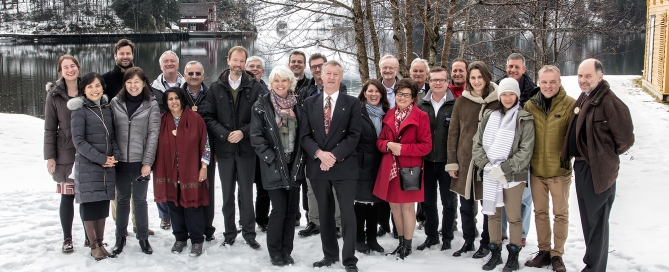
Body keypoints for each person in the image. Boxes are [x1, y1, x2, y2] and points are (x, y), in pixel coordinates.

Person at [560, 59, 634, 272]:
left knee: (597, 223)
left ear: (600, 76)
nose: (583, 80)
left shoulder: (610, 103)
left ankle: (595, 269)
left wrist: (604, 155)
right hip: (582, 168)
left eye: (588, 76)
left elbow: (625, 139)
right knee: (588, 222)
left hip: (599, 171)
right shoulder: (585, 98)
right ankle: (592, 264)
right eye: (580, 76)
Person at [299, 60, 361, 272]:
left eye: (336, 74)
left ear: (341, 77)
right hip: (318, 167)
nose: (332, 77)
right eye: (328, 73)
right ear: (321, 76)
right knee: (324, 213)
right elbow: (304, 135)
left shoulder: (352, 103)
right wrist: (319, 154)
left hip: (344, 166)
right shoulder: (309, 103)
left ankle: (350, 260)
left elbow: (354, 136)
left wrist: (333, 156)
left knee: (347, 214)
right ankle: (329, 255)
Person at [201, 46, 262, 249]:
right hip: (225, 150)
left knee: (246, 193)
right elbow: (207, 116)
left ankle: (249, 233)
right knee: (227, 194)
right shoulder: (215, 87)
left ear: (245, 63)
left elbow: (261, 117)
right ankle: (229, 234)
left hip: (247, 150)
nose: (238, 64)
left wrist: (243, 132)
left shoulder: (255, 87)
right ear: (228, 61)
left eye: (241, 61)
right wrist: (225, 134)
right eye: (235, 60)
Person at [472, 78, 535, 271]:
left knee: (514, 216)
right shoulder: (490, 116)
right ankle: (495, 253)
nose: (508, 98)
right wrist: (488, 166)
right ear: (499, 96)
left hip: (513, 175)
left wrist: (504, 169)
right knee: (493, 215)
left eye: (512, 94)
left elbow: (526, 150)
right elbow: (477, 144)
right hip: (491, 174)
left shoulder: (524, 118)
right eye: (504, 94)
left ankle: (513, 255)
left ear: (517, 95)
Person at [250, 66, 305, 266]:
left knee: (291, 210)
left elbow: (303, 135)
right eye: (276, 81)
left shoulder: (299, 105)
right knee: (279, 210)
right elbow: (256, 137)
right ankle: (275, 252)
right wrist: (272, 158)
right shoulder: (262, 105)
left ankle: (286, 250)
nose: (280, 84)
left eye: (284, 80)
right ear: (271, 83)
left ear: (290, 82)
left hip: (294, 163)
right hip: (273, 164)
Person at [523, 65, 575, 272]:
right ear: (538, 82)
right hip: (536, 170)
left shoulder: (570, 105)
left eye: (553, 81)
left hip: (559, 172)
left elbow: (576, 137)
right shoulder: (529, 106)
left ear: (560, 82)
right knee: (540, 212)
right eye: (544, 82)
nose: (548, 86)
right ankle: (544, 251)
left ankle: (557, 255)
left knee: (560, 214)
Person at [102, 39, 156, 235]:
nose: (125, 57)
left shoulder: (141, 76)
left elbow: (150, 101)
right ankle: (120, 226)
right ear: (115, 55)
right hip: (117, 142)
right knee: (120, 193)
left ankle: (137, 223)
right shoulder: (107, 79)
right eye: (121, 53)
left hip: (137, 143)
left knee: (138, 193)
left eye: (128, 53)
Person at [446, 61, 500, 258]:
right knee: (466, 205)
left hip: (489, 161)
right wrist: (452, 161)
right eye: (473, 77)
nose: (477, 81)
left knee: (488, 205)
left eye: (480, 77)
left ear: (486, 77)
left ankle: (486, 242)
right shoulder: (462, 101)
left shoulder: (498, 100)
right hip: (465, 161)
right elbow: (453, 133)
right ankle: (468, 241)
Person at [374, 78, 431, 260]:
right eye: (399, 94)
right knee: (394, 207)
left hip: (409, 169)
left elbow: (426, 146)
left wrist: (403, 149)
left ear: (413, 97)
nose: (402, 97)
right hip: (389, 169)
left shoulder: (421, 116)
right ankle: (400, 242)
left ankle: (407, 244)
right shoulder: (389, 114)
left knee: (407, 208)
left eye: (406, 94)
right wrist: (388, 145)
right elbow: (380, 141)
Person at [153, 87, 210, 257]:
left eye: (176, 98)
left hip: (191, 170)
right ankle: (180, 238)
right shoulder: (161, 120)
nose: (174, 102)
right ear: (165, 102)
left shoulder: (195, 119)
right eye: (170, 99)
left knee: (193, 207)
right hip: (168, 172)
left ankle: (197, 240)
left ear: (182, 99)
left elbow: (206, 144)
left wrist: (204, 166)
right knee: (174, 206)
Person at [109, 67, 161, 255]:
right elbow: (111, 132)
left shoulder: (151, 104)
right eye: (129, 82)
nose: (133, 86)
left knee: (140, 201)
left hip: (141, 163)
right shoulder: (115, 103)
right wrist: (113, 156)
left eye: (137, 82)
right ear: (124, 84)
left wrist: (148, 162)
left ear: (144, 83)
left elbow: (153, 134)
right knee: (122, 199)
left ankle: (143, 238)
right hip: (120, 161)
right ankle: (120, 237)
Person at [68, 72, 119, 260]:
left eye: (97, 85)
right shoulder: (79, 110)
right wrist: (101, 159)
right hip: (88, 165)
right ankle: (93, 244)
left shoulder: (106, 108)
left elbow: (112, 136)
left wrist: (114, 156)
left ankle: (100, 242)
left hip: (106, 165)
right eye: (90, 87)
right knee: (90, 204)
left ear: (103, 87)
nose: (94, 90)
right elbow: (78, 142)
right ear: (83, 90)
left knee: (102, 204)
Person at [297, 53, 345, 238]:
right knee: (311, 189)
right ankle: (314, 221)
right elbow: (304, 127)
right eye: (315, 67)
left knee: (334, 188)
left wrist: (332, 154)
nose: (318, 70)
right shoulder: (305, 93)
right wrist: (317, 152)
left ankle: (338, 224)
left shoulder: (344, 92)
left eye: (321, 66)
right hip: (313, 151)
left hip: (336, 152)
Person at [416, 67, 457, 251]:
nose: (437, 83)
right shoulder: (421, 105)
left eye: (441, 80)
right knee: (428, 201)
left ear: (448, 82)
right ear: (428, 82)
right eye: (433, 80)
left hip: (448, 162)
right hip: (426, 161)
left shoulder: (456, 105)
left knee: (449, 201)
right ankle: (431, 236)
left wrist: (455, 160)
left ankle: (447, 236)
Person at [497, 54, 536, 247]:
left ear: (524, 68)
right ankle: (503, 231)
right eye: (510, 66)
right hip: (501, 151)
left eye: (517, 67)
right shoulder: (498, 87)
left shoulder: (532, 91)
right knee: (503, 195)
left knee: (524, 198)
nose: (513, 70)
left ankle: (522, 233)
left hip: (523, 152)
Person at [45, 55, 81, 253]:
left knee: (87, 197)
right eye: (65, 67)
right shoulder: (55, 95)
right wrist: (50, 156)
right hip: (65, 152)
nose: (70, 70)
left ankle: (90, 236)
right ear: (60, 71)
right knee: (67, 196)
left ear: (78, 67)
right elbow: (50, 128)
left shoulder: (87, 88)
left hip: (87, 151)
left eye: (72, 66)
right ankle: (67, 238)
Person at [181, 61, 217, 242]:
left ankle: (207, 228)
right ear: (184, 75)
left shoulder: (211, 94)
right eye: (190, 73)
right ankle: (188, 228)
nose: (194, 76)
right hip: (184, 151)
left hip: (207, 149)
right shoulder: (178, 95)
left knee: (206, 189)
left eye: (197, 73)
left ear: (203, 76)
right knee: (186, 189)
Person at [354, 79, 389, 254]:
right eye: (370, 91)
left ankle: (372, 238)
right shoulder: (357, 112)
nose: (373, 94)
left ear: (382, 94)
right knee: (360, 203)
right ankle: (359, 238)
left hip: (380, 164)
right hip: (361, 164)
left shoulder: (387, 114)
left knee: (375, 203)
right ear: (364, 93)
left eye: (377, 91)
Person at [246, 55, 272, 232]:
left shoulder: (267, 91)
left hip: (263, 144)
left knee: (264, 186)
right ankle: (245, 219)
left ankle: (262, 219)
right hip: (244, 144)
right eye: (251, 66)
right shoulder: (240, 88)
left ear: (262, 71)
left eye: (258, 67)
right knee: (245, 187)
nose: (255, 69)